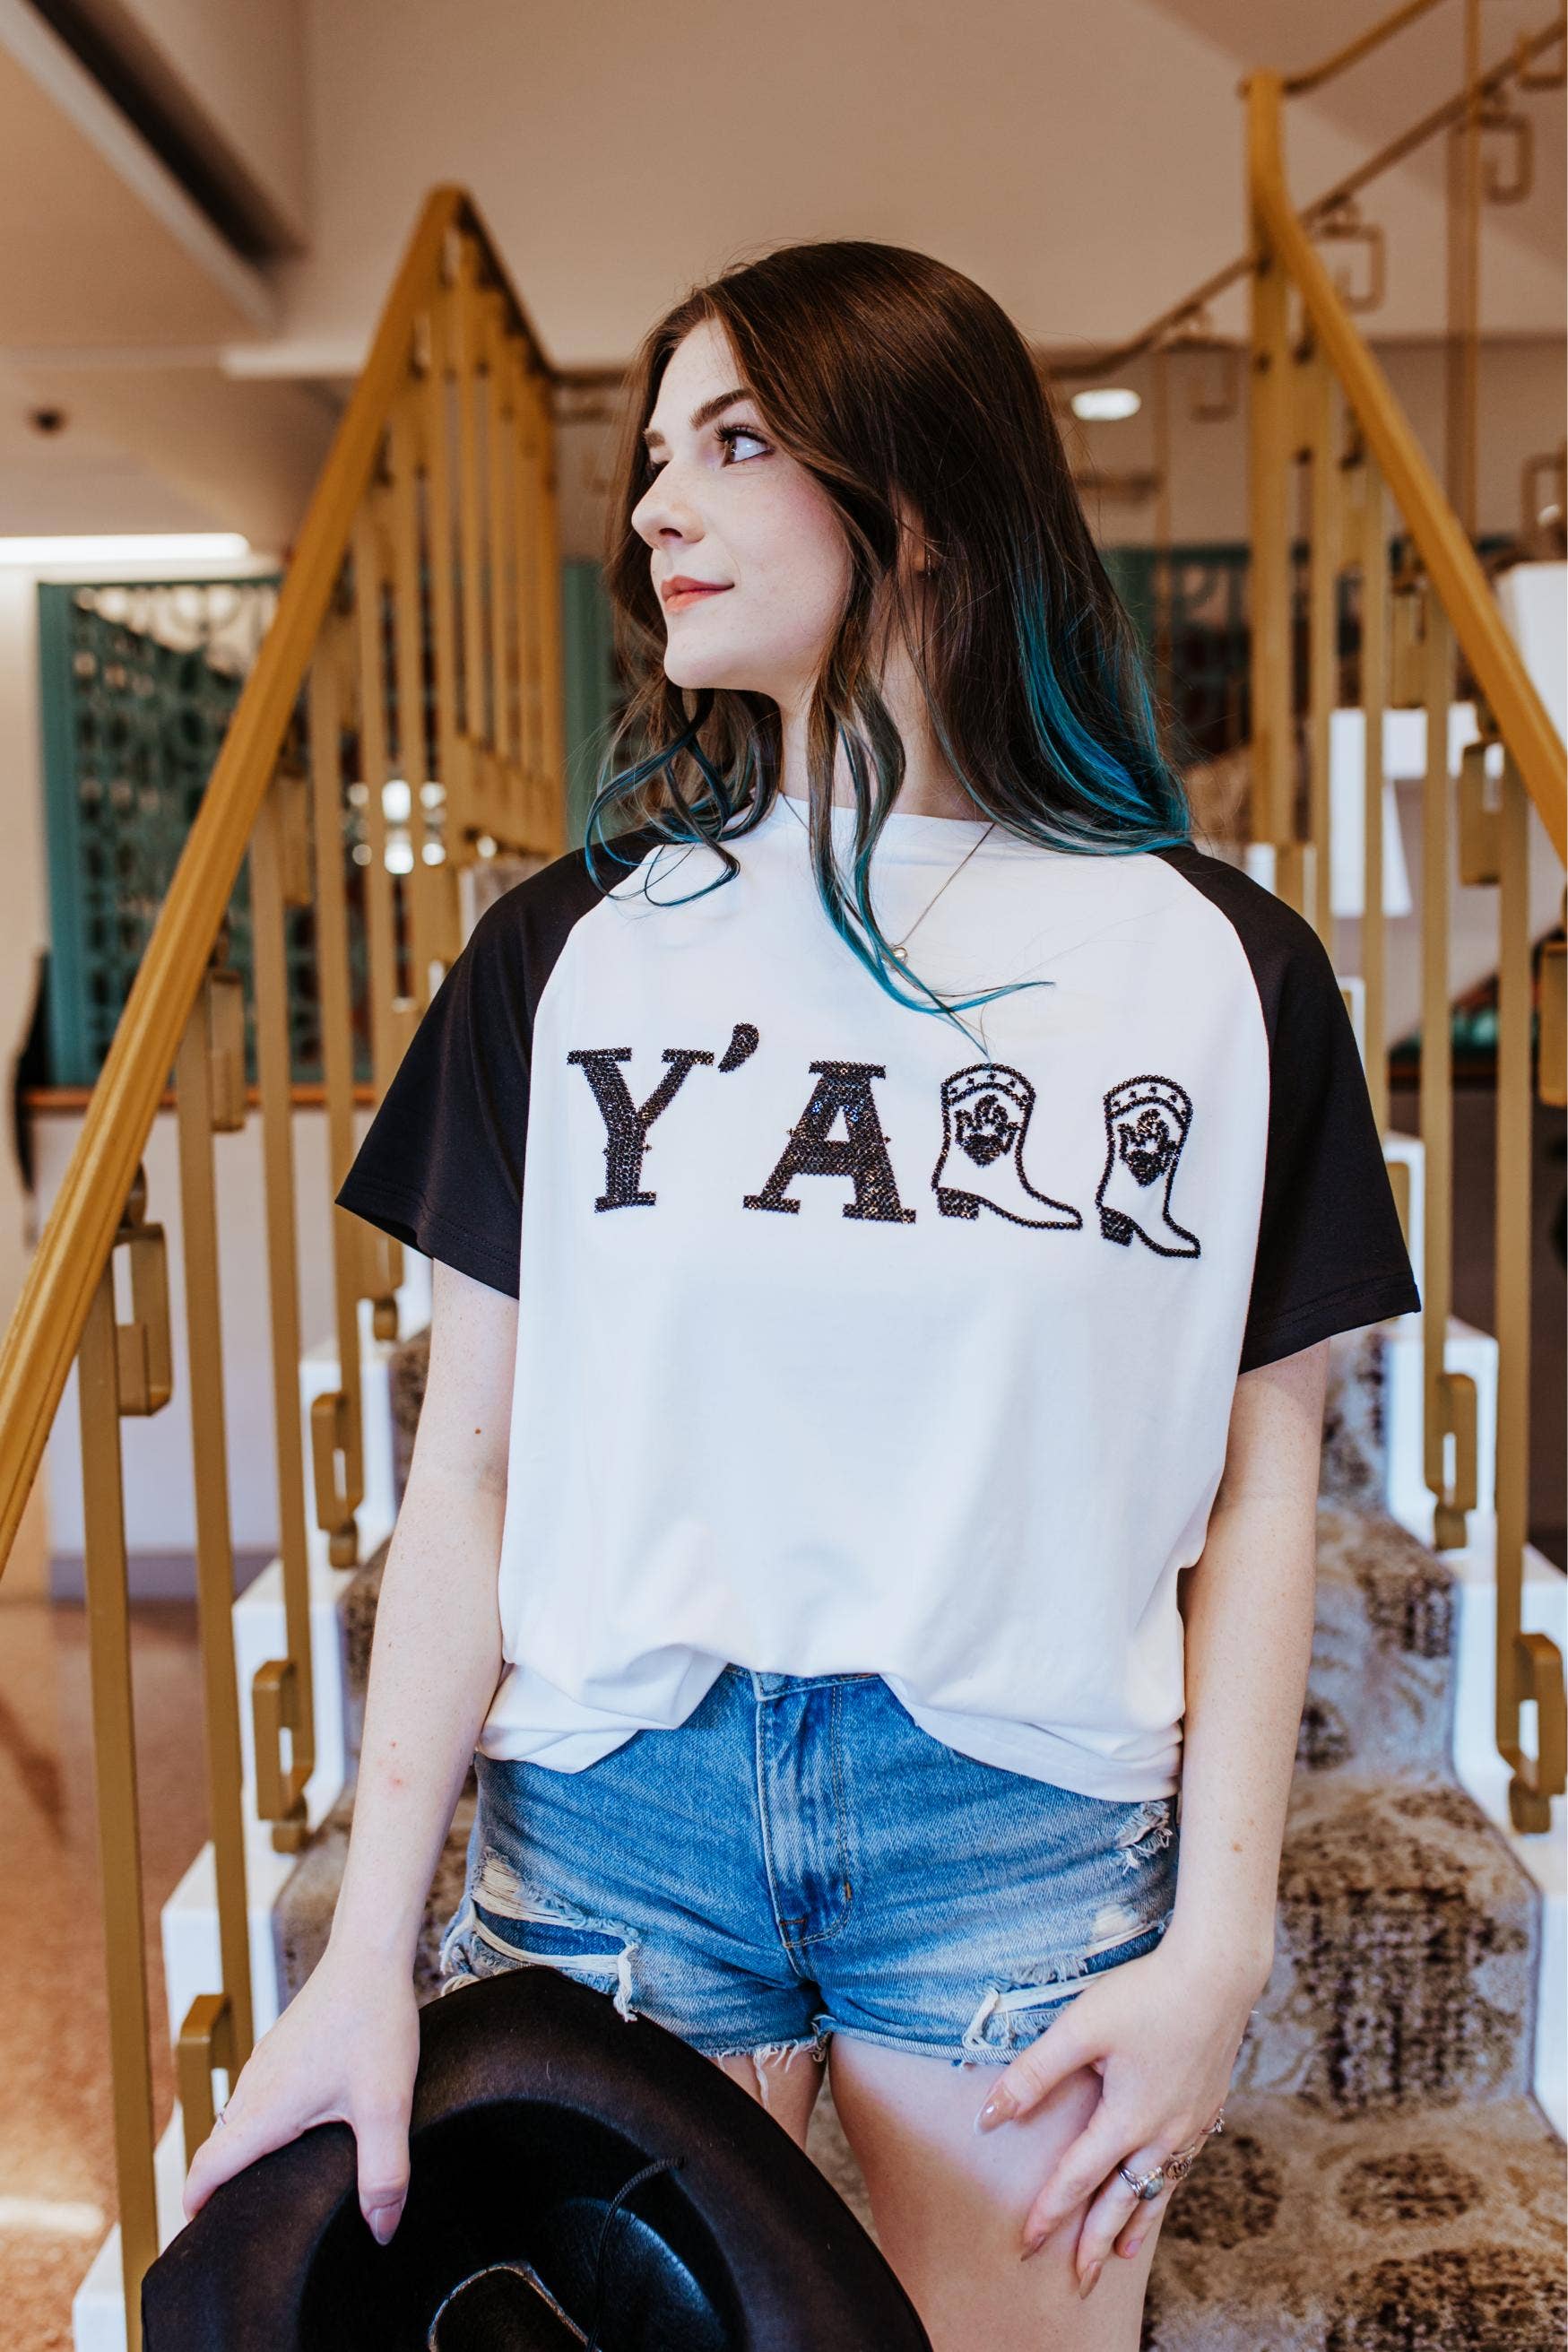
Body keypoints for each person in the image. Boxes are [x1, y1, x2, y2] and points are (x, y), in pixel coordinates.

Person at [181, 240, 1420, 2351]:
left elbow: (1263, 1479)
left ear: (923, 495)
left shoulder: (1218, 966)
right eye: (652, 453)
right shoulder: (562, 952)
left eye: (734, 441)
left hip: (1013, 1820)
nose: (654, 502)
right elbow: (465, 1479)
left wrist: (1220, 1944)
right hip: (617, 1812)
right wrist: (361, 1954)